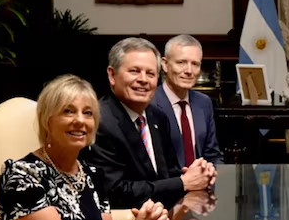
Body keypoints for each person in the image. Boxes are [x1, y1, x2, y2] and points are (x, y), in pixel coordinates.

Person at [0, 74, 169, 220]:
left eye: (88, 113)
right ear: (47, 120)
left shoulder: (92, 174)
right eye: (68, 111)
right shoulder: (22, 173)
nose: (80, 120)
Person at [84, 37, 216, 210]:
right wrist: (183, 182)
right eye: (134, 71)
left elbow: (170, 173)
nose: (143, 79)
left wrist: (198, 173)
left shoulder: (157, 117)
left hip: (163, 218)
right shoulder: (99, 121)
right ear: (112, 75)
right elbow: (115, 191)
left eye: (150, 73)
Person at [151, 34, 224, 167]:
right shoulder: (149, 103)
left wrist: (211, 175)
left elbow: (213, 155)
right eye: (181, 62)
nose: (189, 71)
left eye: (195, 64)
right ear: (165, 65)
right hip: (166, 186)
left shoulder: (204, 103)